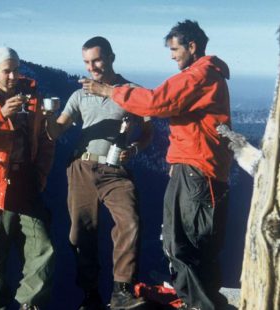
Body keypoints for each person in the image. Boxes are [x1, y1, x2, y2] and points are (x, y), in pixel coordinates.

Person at [80, 21, 233, 310]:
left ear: (192, 46)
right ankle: (197, 300)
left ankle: (199, 304)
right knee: (184, 241)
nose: (172, 56)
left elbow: (156, 102)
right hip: (193, 165)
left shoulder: (199, 75)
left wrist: (109, 91)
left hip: (198, 169)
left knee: (185, 243)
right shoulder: (204, 75)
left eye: (175, 49)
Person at [46, 36, 153, 310]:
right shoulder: (79, 95)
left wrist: (136, 149)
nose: (91, 67)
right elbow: (57, 131)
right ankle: (90, 296)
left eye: (96, 60)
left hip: (116, 170)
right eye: (86, 62)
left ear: (111, 57)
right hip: (81, 167)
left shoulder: (131, 92)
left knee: (130, 221)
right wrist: (47, 116)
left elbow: (148, 132)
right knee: (81, 234)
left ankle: (122, 292)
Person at [0, 47, 55, 310]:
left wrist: (41, 174)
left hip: (25, 185)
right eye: (7, 70)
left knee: (43, 251)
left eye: (16, 70)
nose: (13, 76)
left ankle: (28, 305)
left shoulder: (32, 99)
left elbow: (44, 141)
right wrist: (0, 114)